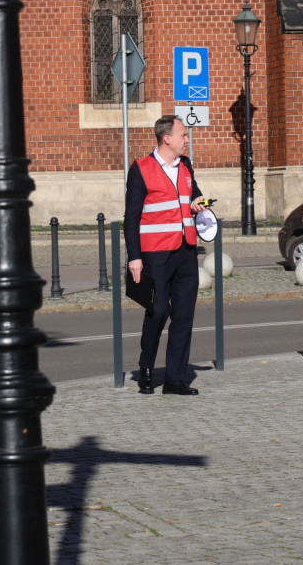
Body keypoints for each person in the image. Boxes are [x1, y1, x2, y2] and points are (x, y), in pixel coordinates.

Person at [124, 115, 211, 396]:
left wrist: (198, 202)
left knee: (184, 316)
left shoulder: (185, 166)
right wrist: (134, 256)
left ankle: (175, 379)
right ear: (167, 139)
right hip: (155, 255)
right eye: (184, 135)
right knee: (158, 310)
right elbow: (132, 217)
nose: (187, 140)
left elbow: (192, 194)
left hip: (186, 251)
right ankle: (146, 368)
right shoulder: (141, 169)